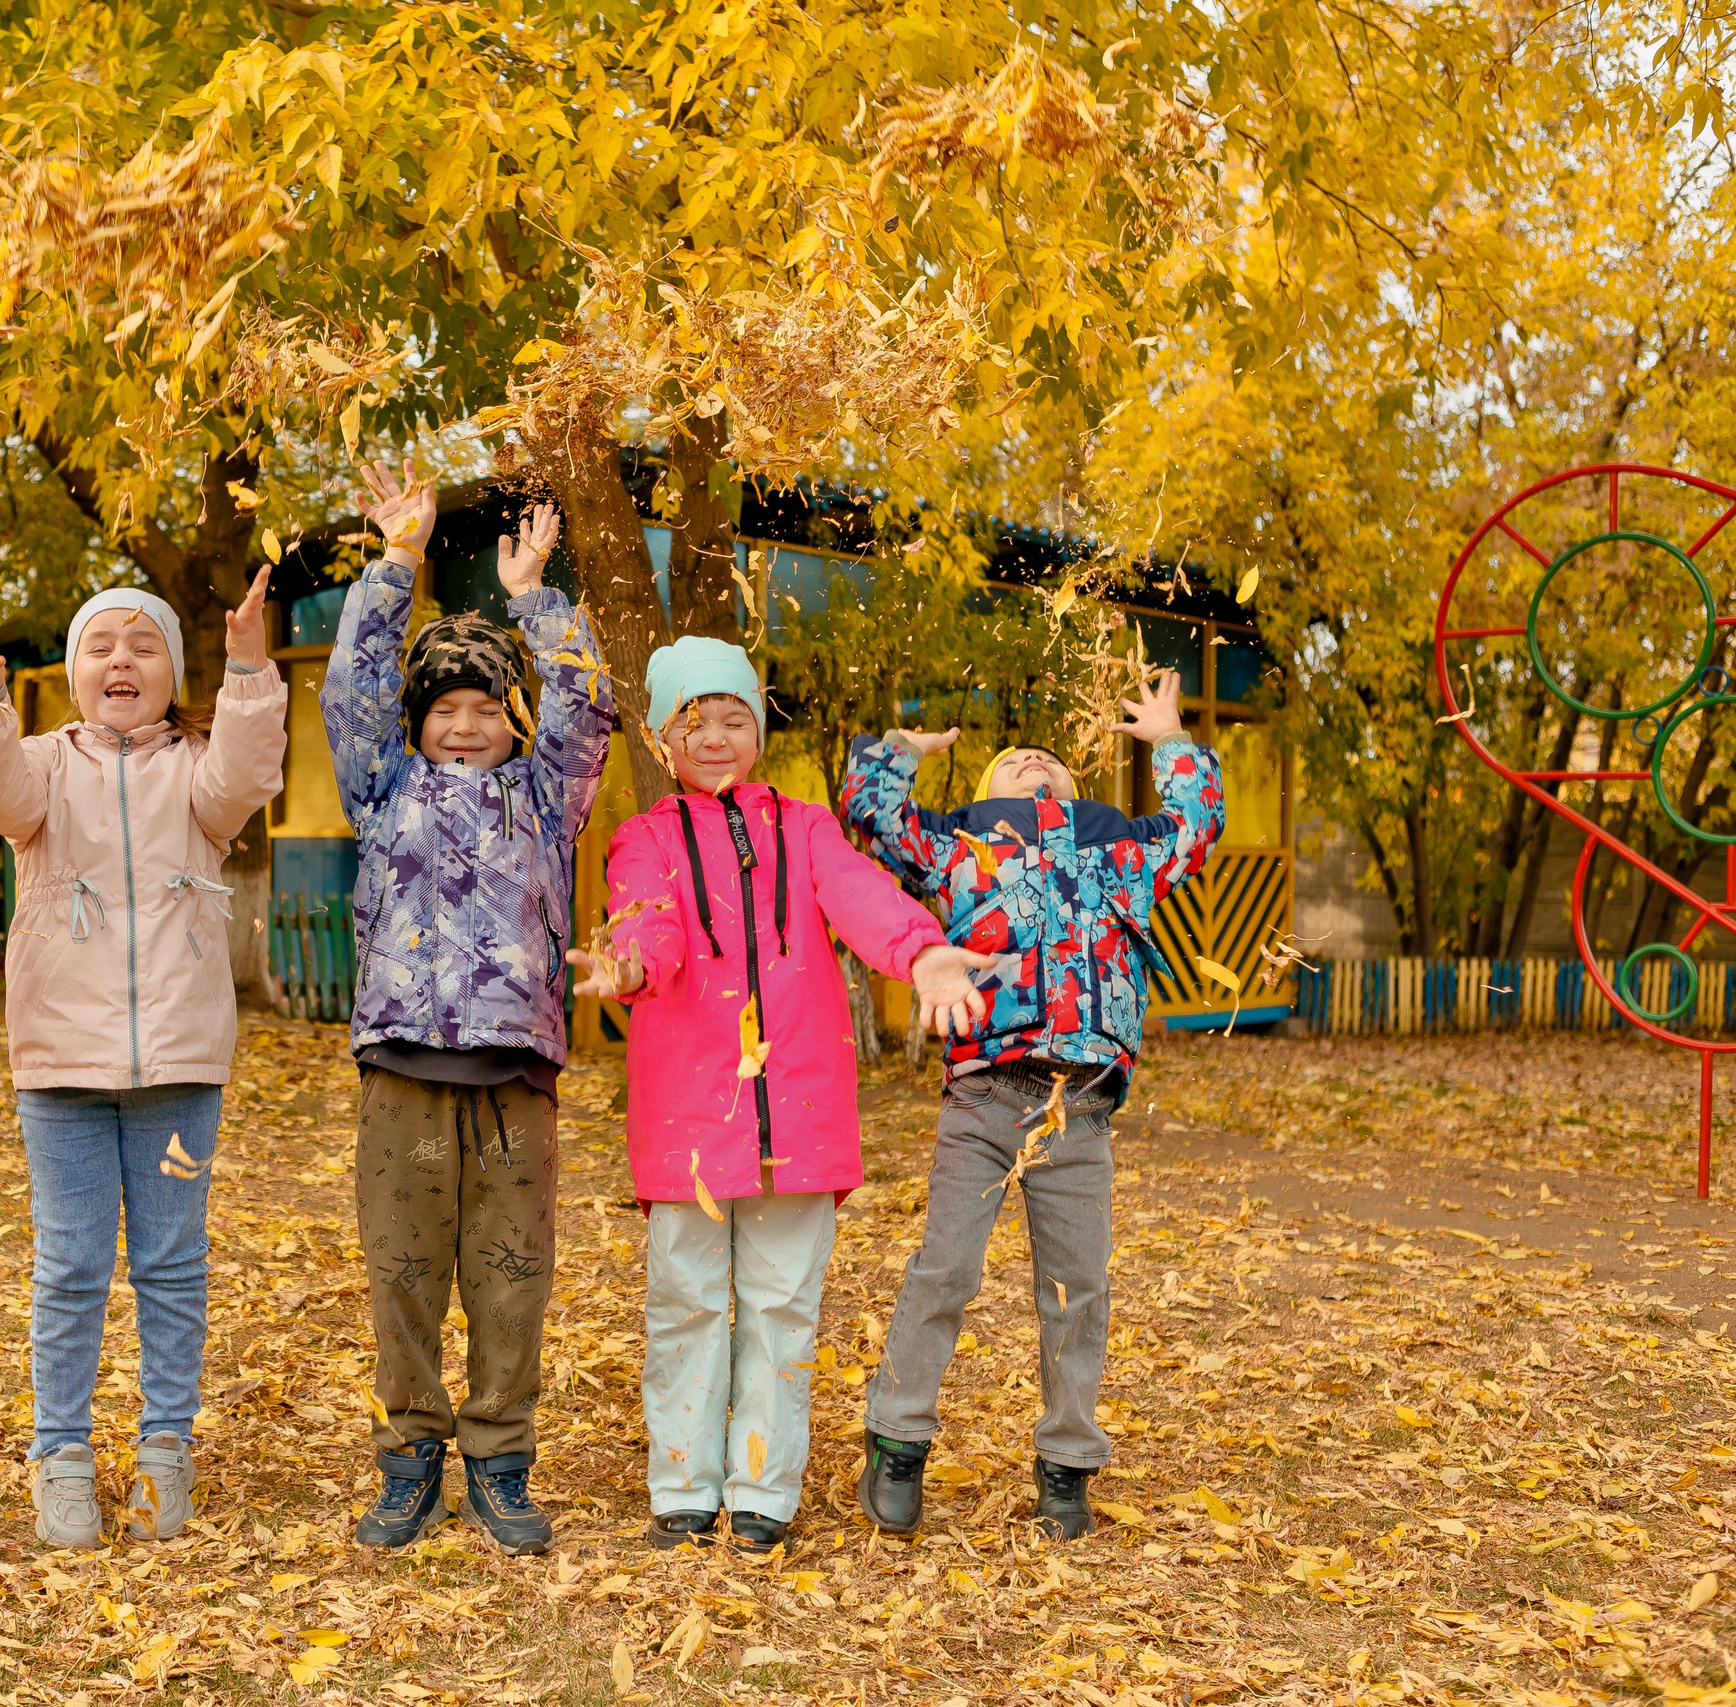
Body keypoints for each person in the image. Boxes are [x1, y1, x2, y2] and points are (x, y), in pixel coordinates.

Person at [568, 638, 994, 1556]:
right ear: (662, 733)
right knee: (683, 1301)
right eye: (695, 720)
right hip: (688, 1120)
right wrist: (629, 960)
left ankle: (763, 1486)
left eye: (733, 718)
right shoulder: (643, 836)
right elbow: (650, 918)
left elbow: (859, 896)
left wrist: (919, 951)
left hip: (797, 1114)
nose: (715, 736)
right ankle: (683, 1483)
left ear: (757, 729)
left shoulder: (804, 827)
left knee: (781, 1305)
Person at [0, 572, 286, 1549]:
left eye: (143, 647)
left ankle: (165, 1448)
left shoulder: (197, 772)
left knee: (172, 1266)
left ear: (174, 674)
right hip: (60, 1063)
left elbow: (247, 776)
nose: (120, 661)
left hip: (179, 1058)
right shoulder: (42, 766)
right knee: (71, 1265)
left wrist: (252, 664)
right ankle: (60, 1454)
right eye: (101, 646)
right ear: (74, 672)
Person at [839, 675, 1222, 1541]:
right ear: (978, 797)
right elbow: (871, 814)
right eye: (1012, 761)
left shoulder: (1121, 847)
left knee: (1078, 1288)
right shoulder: (961, 844)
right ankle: (897, 1439)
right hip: (985, 1092)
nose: (1034, 762)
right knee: (946, 1271)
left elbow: (1196, 827)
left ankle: (1067, 1462)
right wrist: (903, 752)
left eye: (1048, 758)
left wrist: (1170, 739)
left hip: (1078, 1107)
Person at [318, 463, 613, 1556]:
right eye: (443, 708)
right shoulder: (382, 787)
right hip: (401, 1070)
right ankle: (409, 1461)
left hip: (513, 1080)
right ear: (417, 721)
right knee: (399, 1279)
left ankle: (500, 1458)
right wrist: (398, 560)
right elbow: (350, 685)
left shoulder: (546, 801)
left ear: (510, 717)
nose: (462, 725)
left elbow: (586, 706)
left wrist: (532, 595)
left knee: (510, 1283)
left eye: (485, 707)